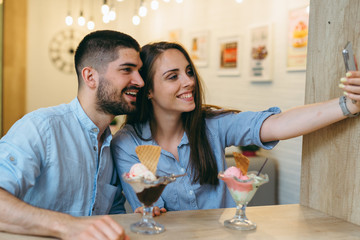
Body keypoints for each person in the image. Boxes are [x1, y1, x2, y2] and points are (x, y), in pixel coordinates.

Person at [111, 41, 360, 212]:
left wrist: (347, 105)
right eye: (173, 76)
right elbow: (148, 210)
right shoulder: (127, 143)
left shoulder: (212, 125)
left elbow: (278, 124)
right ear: (149, 90)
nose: (189, 81)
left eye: (188, 72)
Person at [0, 30, 144, 239]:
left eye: (139, 71)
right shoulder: (41, 128)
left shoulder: (114, 145)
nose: (140, 81)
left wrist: (135, 217)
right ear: (90, 77)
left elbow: (111, 214)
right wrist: (68, 226)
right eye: (127, 70)